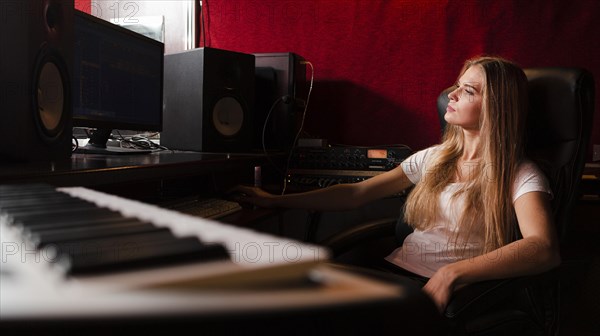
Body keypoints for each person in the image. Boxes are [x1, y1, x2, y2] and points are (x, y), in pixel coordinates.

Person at [233, 56, 561, 312]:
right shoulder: (435, 158)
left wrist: (452, 274)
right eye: (457, 85)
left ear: (496, 108)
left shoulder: (519, 173)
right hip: (392, 270)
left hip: (431, 287)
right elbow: (357, 192)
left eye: (469, 90)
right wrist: (275, 200)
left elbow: (543, 248)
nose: (452, 94)